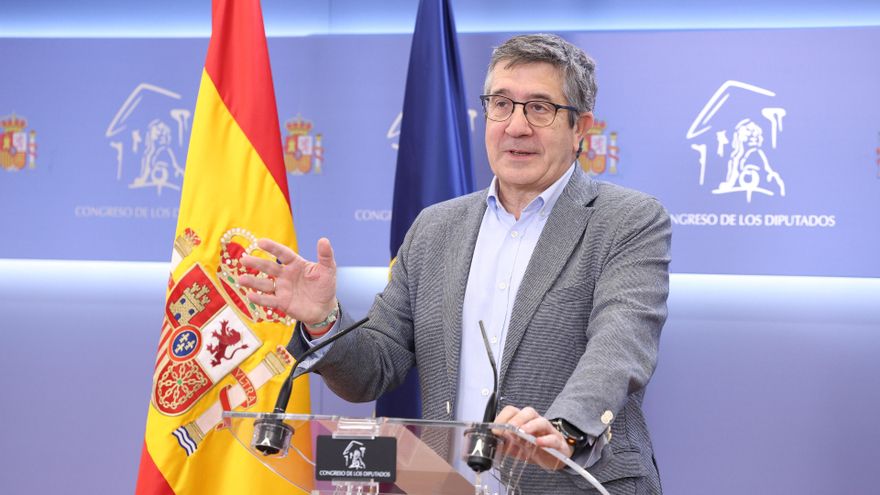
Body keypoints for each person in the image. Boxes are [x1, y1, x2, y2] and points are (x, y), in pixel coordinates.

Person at [240, 33, 670, 494]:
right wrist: (325, 321)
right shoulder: (435, 228)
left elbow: (620, 345)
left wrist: (564, 427)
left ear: (581, 128)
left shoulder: (629, 220)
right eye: (501, 104)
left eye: (540, 108)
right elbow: (376, 366)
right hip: (445, 485)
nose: (516, 126)